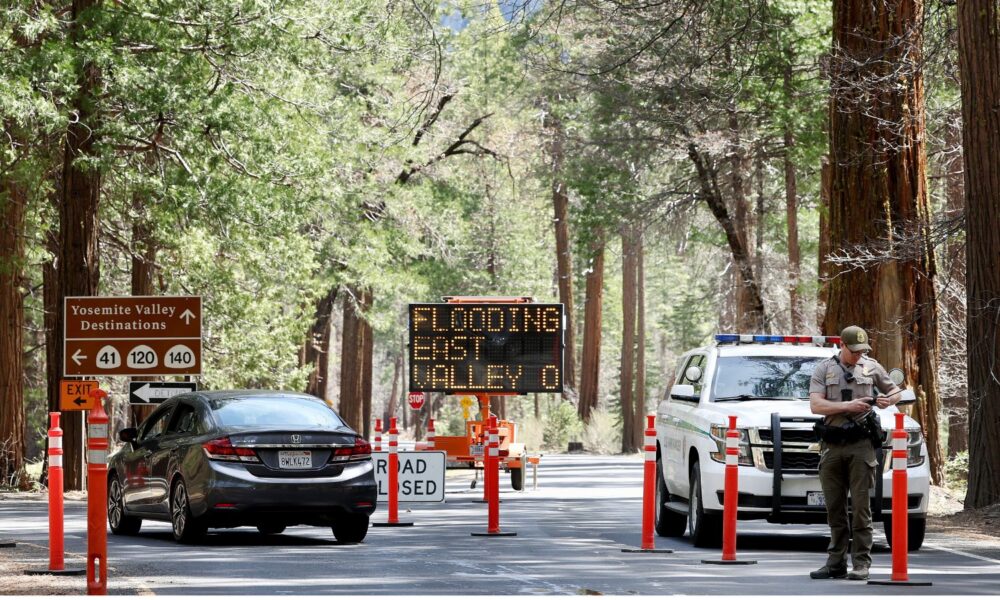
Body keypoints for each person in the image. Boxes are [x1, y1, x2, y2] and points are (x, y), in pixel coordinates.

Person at [808, 325, 902, 581]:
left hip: (862, 445)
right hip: (833, 444)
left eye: (863, 350)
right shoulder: (823, 369)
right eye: (854, 351)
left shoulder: (872, 367)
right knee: (834, 508)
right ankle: (835, 562)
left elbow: (895, 391)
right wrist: (846, 406)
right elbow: (816, 405)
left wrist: (887, 400)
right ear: (842, 345)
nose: (859, 355)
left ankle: (861, 563)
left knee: (861, 508)